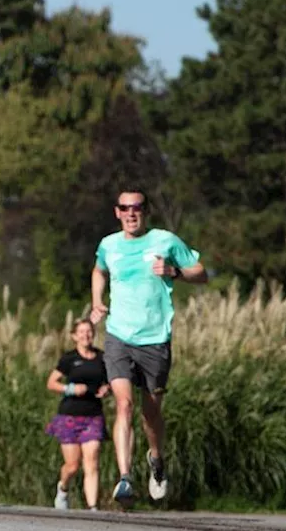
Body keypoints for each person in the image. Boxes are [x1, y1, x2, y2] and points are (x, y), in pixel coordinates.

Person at [90, 189, 206, 508]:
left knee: (150, 412)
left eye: (137, 207)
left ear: (146, 211)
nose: (131, 213)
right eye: (125, 207)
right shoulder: (109, 245)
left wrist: (175, 272)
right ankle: (125, 477)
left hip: (155, 338)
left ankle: (156, 459)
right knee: (123, 405)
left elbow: (201, 272)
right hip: (118, 337)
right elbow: (99, 270)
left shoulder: (165, 240)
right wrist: (98, 301)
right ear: (117, 212)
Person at [45, 319, 109, 510]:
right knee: (72, 465)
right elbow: (51, 383)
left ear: (94, 333)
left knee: (92, 461)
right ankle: (63, 488)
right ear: (74, 336)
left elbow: (111, 382)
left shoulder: (102, 358)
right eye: (81, 332)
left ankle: (92, 507)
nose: (85, 335)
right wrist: (71, 388)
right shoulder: (69, 359)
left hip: (93, 415)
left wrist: (107, 389)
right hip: (69, 416)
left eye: (89, 331)